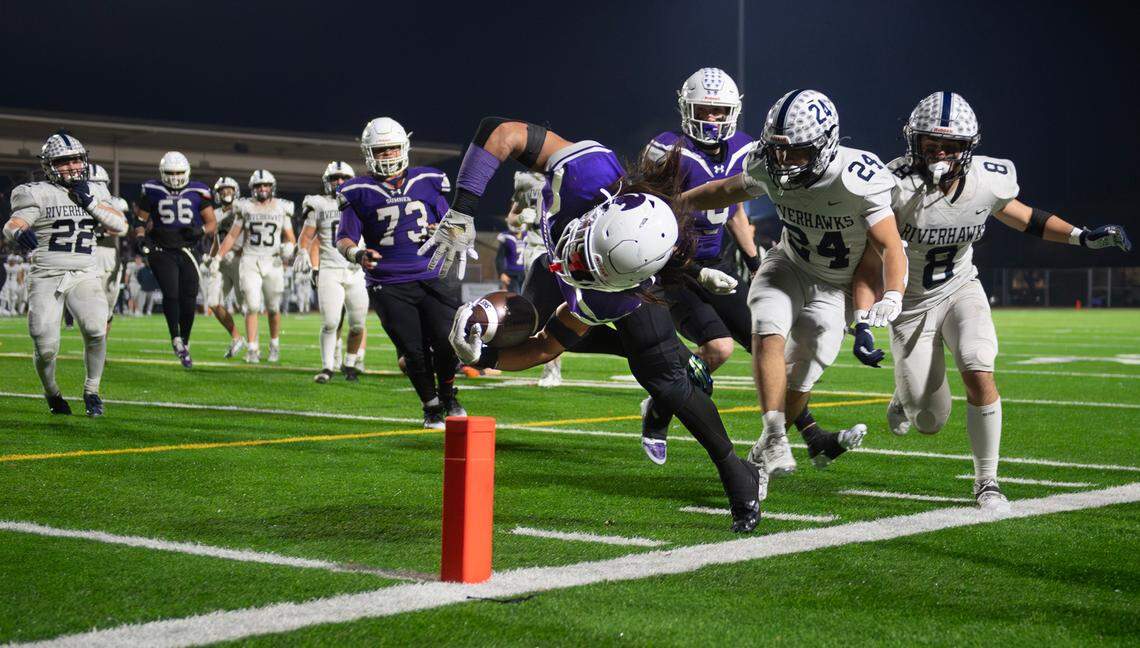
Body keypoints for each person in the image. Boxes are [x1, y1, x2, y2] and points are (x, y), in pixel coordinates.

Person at [432, 116, 765, 532]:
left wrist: (488, 357)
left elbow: (545, 347)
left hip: (616, 292)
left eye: (594, 270)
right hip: (555, 266)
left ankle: (735, 469)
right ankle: (676, 356)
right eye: (586, 257)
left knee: (664, 379)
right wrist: (463, 208)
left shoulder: (618, 292)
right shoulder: (589, 173)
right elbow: (502, 131)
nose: (580, 268)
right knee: (520, 314)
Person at [850, 91, 1132, 511]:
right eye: (931, 145)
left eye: (949, 146)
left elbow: (1022, 215)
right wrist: (859, 321)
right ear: (914, 143)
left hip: (961, 286)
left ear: (968, 148)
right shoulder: (890, 186)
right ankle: (906, 397)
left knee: (978, 365)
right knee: (930, 421)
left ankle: (987, 482)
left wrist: (1080, 236)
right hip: (908, 305)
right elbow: (870, 263)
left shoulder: (987, 179)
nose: (939, 154)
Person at [681, 89, 909, 476]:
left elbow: (889, 246)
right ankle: (773, 435)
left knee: (802, 378)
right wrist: (675, 201)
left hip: (835, 287)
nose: (785, 160)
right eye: (778, 149)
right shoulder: (766, 163)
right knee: (768, 327)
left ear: (825, 144)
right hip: (789, 264)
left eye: (798, 151)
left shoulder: (857, 178)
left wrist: (891, 295)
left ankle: (760, 455)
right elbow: (725, 190)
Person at [335, 117, 463, 426]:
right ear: (369, 154)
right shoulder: (357, 190)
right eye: (381, 151)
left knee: (448, 344)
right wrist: (357, 253)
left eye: (392, 149)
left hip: (433, 275)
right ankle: (431, 406)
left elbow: (457, 227)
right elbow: (344, 238)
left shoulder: (428, 180)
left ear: (404, 148)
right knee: (413, 352)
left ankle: (448, 394)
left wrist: (447, 232)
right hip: (389, 281)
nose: (389, 156)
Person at [2, 132, 127, 415]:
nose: (72, 166)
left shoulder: (95, 191)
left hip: (84, 271)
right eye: (63, 161)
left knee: (96, 329)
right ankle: (52, 392)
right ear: (49, 165)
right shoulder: (35, 191)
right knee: (46, 346)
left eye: (75, 160)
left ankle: (92, 390)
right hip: (46, 274)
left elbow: (120, 225)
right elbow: (14, 223)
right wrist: (16, 231)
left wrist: (90, 203)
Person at [134, 151, 217, 367]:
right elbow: (140, 221)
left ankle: (185, 342)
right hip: (161, 249)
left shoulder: (198, 191)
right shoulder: (152, 190)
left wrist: (199, 231)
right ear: (162, 172)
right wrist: (141, 239)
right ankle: (175, 338)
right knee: (171, 293)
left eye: (178, 172)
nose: (174, 177)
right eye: (170, 173)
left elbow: (212, 224)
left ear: (187, 171)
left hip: (189, 250)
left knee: (188, 299)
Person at [211, 170, 295, 363]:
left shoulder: (282, 207)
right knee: (252, 306)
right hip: (250, 259)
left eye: (265, 185)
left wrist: (289, 247)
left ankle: (274, 345)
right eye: (258, 186)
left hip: (273, 260)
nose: (262, 189)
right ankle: (252, 349)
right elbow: (232, 235)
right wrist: (218, 257)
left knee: (273, 308)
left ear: (271, 187)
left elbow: (290, 237)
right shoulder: (246, 207)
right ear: (253, 189)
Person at [298, 161, 368, 382]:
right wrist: (302, 252)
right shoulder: (318, 204)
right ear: (326, 182)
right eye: (334, 178)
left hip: (356, 270)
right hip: (329, 268)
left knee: (357, 324)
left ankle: (349, 364)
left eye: (344, 178)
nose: (339, 182)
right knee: (330, 322)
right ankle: (327, 367)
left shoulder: (363, 201)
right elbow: (307, 236)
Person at [506, 170, 561, 387]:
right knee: (541, 314)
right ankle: (550, 368)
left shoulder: (565, 177)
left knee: (557, 311)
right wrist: (520, 218)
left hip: (559, 249)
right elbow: (511, 219)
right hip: (536, 252)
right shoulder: (527, 182)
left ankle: (552, 368)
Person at [203, 176, 247, 358]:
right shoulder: (215, 214)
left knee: (246, 306)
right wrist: (212, 257)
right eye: (222, 190)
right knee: (213, 302)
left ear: (236, 191)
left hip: (240, 260)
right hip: (222, 262)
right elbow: (217, 239)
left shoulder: (244, 208)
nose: (225, 193)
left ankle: (254, 346)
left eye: (229, 189)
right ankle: (237, 338)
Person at [87, 163, 129, 331]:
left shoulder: (112, 203)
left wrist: (102, 229)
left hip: (108, 256)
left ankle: (100, 350)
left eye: (100, 184)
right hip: (85, 255)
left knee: (108, 306)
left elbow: (123, 228)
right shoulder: (74, 202)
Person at [495, 224, 526, 292]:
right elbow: (499, 258)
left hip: (526, 273)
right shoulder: (506, 237)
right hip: (511, 274)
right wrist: (501, 273)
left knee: (526, 297)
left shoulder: (528, 236)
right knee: (515, 297)